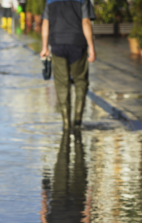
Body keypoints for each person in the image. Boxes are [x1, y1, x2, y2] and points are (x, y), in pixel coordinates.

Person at [40, 0, 96, 130]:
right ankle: (77, 122)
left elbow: (45, 23)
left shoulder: (50, 1)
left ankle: (66, 123)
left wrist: (44, 47)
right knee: (81, 81)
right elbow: (86, 22)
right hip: (77, 43)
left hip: (57, 44)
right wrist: (91, 47)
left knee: (61, 84)